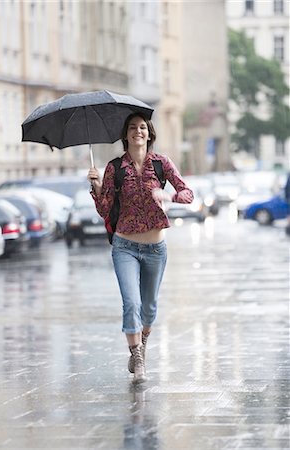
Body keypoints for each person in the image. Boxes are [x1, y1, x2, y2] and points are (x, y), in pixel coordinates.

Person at [87, 113, 193, 383]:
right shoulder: (115, 168)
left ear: (149, 133)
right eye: (133, 127)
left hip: (155, 249)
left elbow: (188, 194)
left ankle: (141, 344)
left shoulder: (161, 163)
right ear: (126, 134)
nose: (138, 131)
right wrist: (98, 187)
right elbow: (104, 210)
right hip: (125, 246)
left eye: (142, 127)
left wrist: (168, 195)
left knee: (149, 308)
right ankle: (137, 355)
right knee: (131, 303)